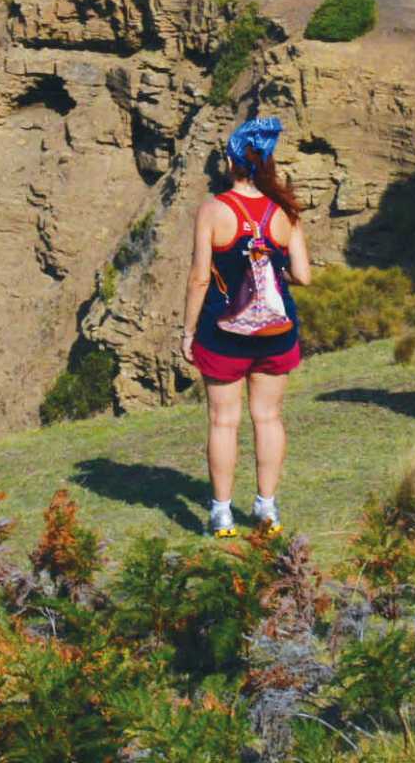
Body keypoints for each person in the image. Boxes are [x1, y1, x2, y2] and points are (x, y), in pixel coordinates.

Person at [181, 115, 312, 536]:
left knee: (223, 421)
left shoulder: (213, 210)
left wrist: (188, 332)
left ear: (231, 161)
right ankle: (266, 508)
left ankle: (222, 513)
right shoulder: (285, 210)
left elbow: (200, 277)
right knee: (268, 417)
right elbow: (303, 275)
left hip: (223, 334)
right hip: (277, 333)